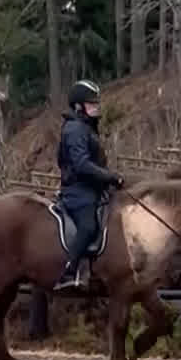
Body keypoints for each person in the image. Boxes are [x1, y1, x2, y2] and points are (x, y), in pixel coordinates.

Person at [53, 79, 123, 291]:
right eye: (91, 104)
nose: (96, 107)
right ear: (78, 106)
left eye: (96, 103)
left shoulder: (85, 127)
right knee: (88, 226)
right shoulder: (75, 129)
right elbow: (82, 165)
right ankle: (69, 272)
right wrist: (109, 177)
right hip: (78, 191)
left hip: (91, 187)